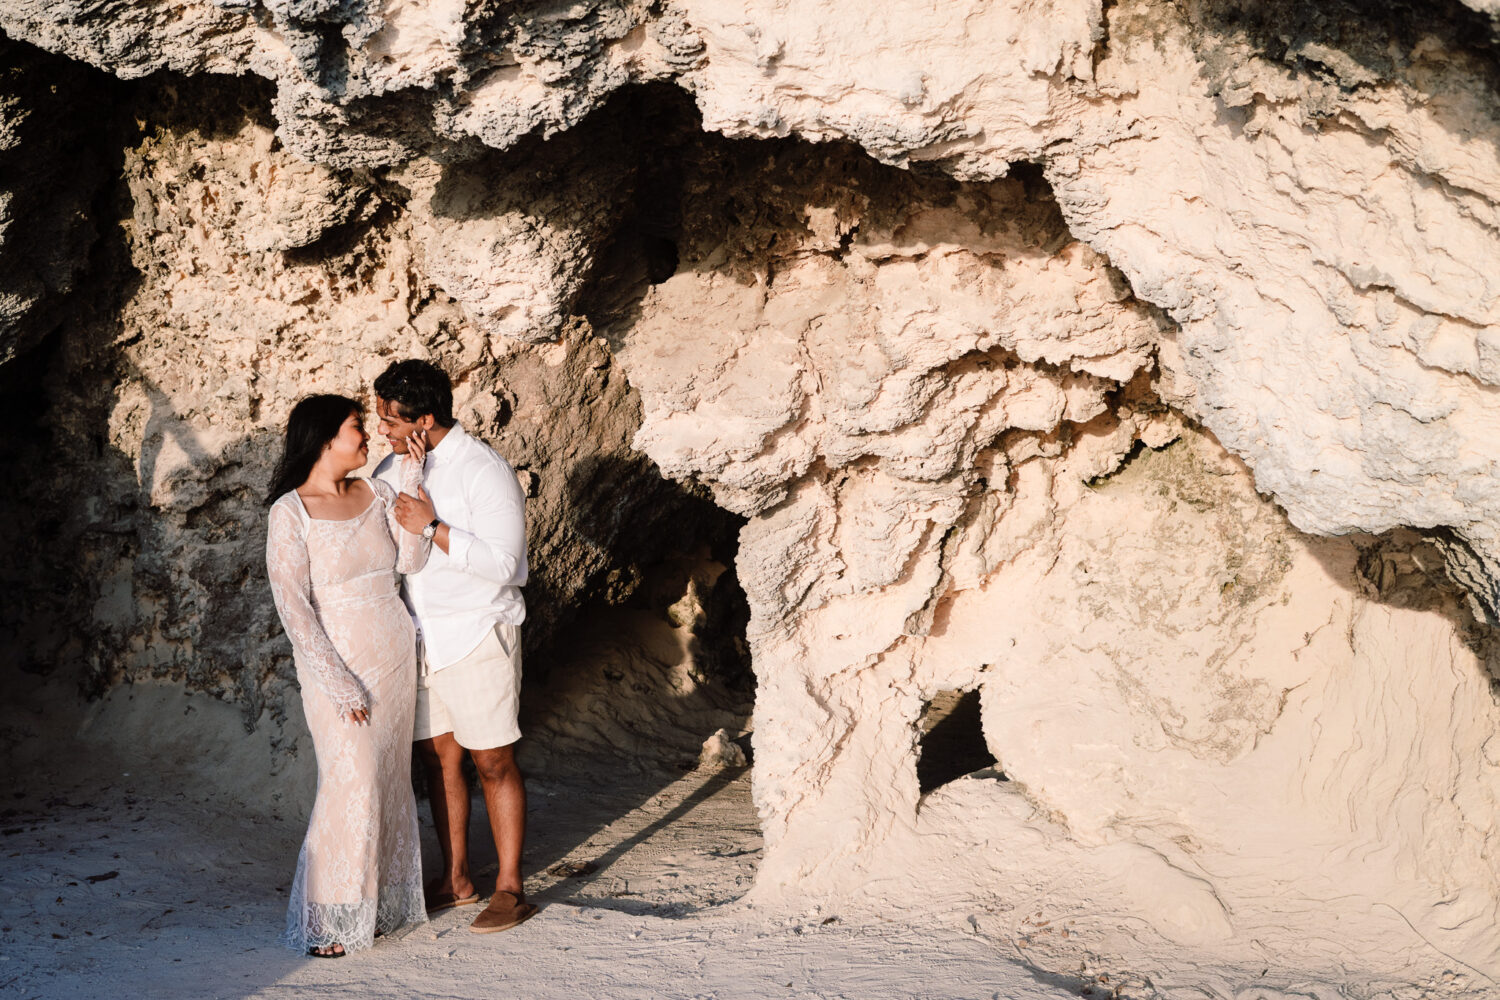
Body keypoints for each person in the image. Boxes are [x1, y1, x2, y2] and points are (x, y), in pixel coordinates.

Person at [264, 394, 435, 958]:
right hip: (336, 664)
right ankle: (327, 918)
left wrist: (412, 479)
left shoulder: (377, 492)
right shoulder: (290, 511)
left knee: (387, 780)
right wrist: (338, 683)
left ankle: (374, 908)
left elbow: (410, 561)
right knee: (351, 780)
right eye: (357, 427)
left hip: (394, 654)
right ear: (324, 439)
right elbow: (293, 607)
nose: (366, 437)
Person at [372, 359, 537, 934]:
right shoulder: (393, 467)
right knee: (438, 760)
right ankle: (456, 880)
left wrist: (431, 526)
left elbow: (508, 566)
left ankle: (510, 888)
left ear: (425, 419)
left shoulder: (483, 469)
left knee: (492, 760)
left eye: (391, 421)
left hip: (477, 631)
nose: (382, 431)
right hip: (421, 637)